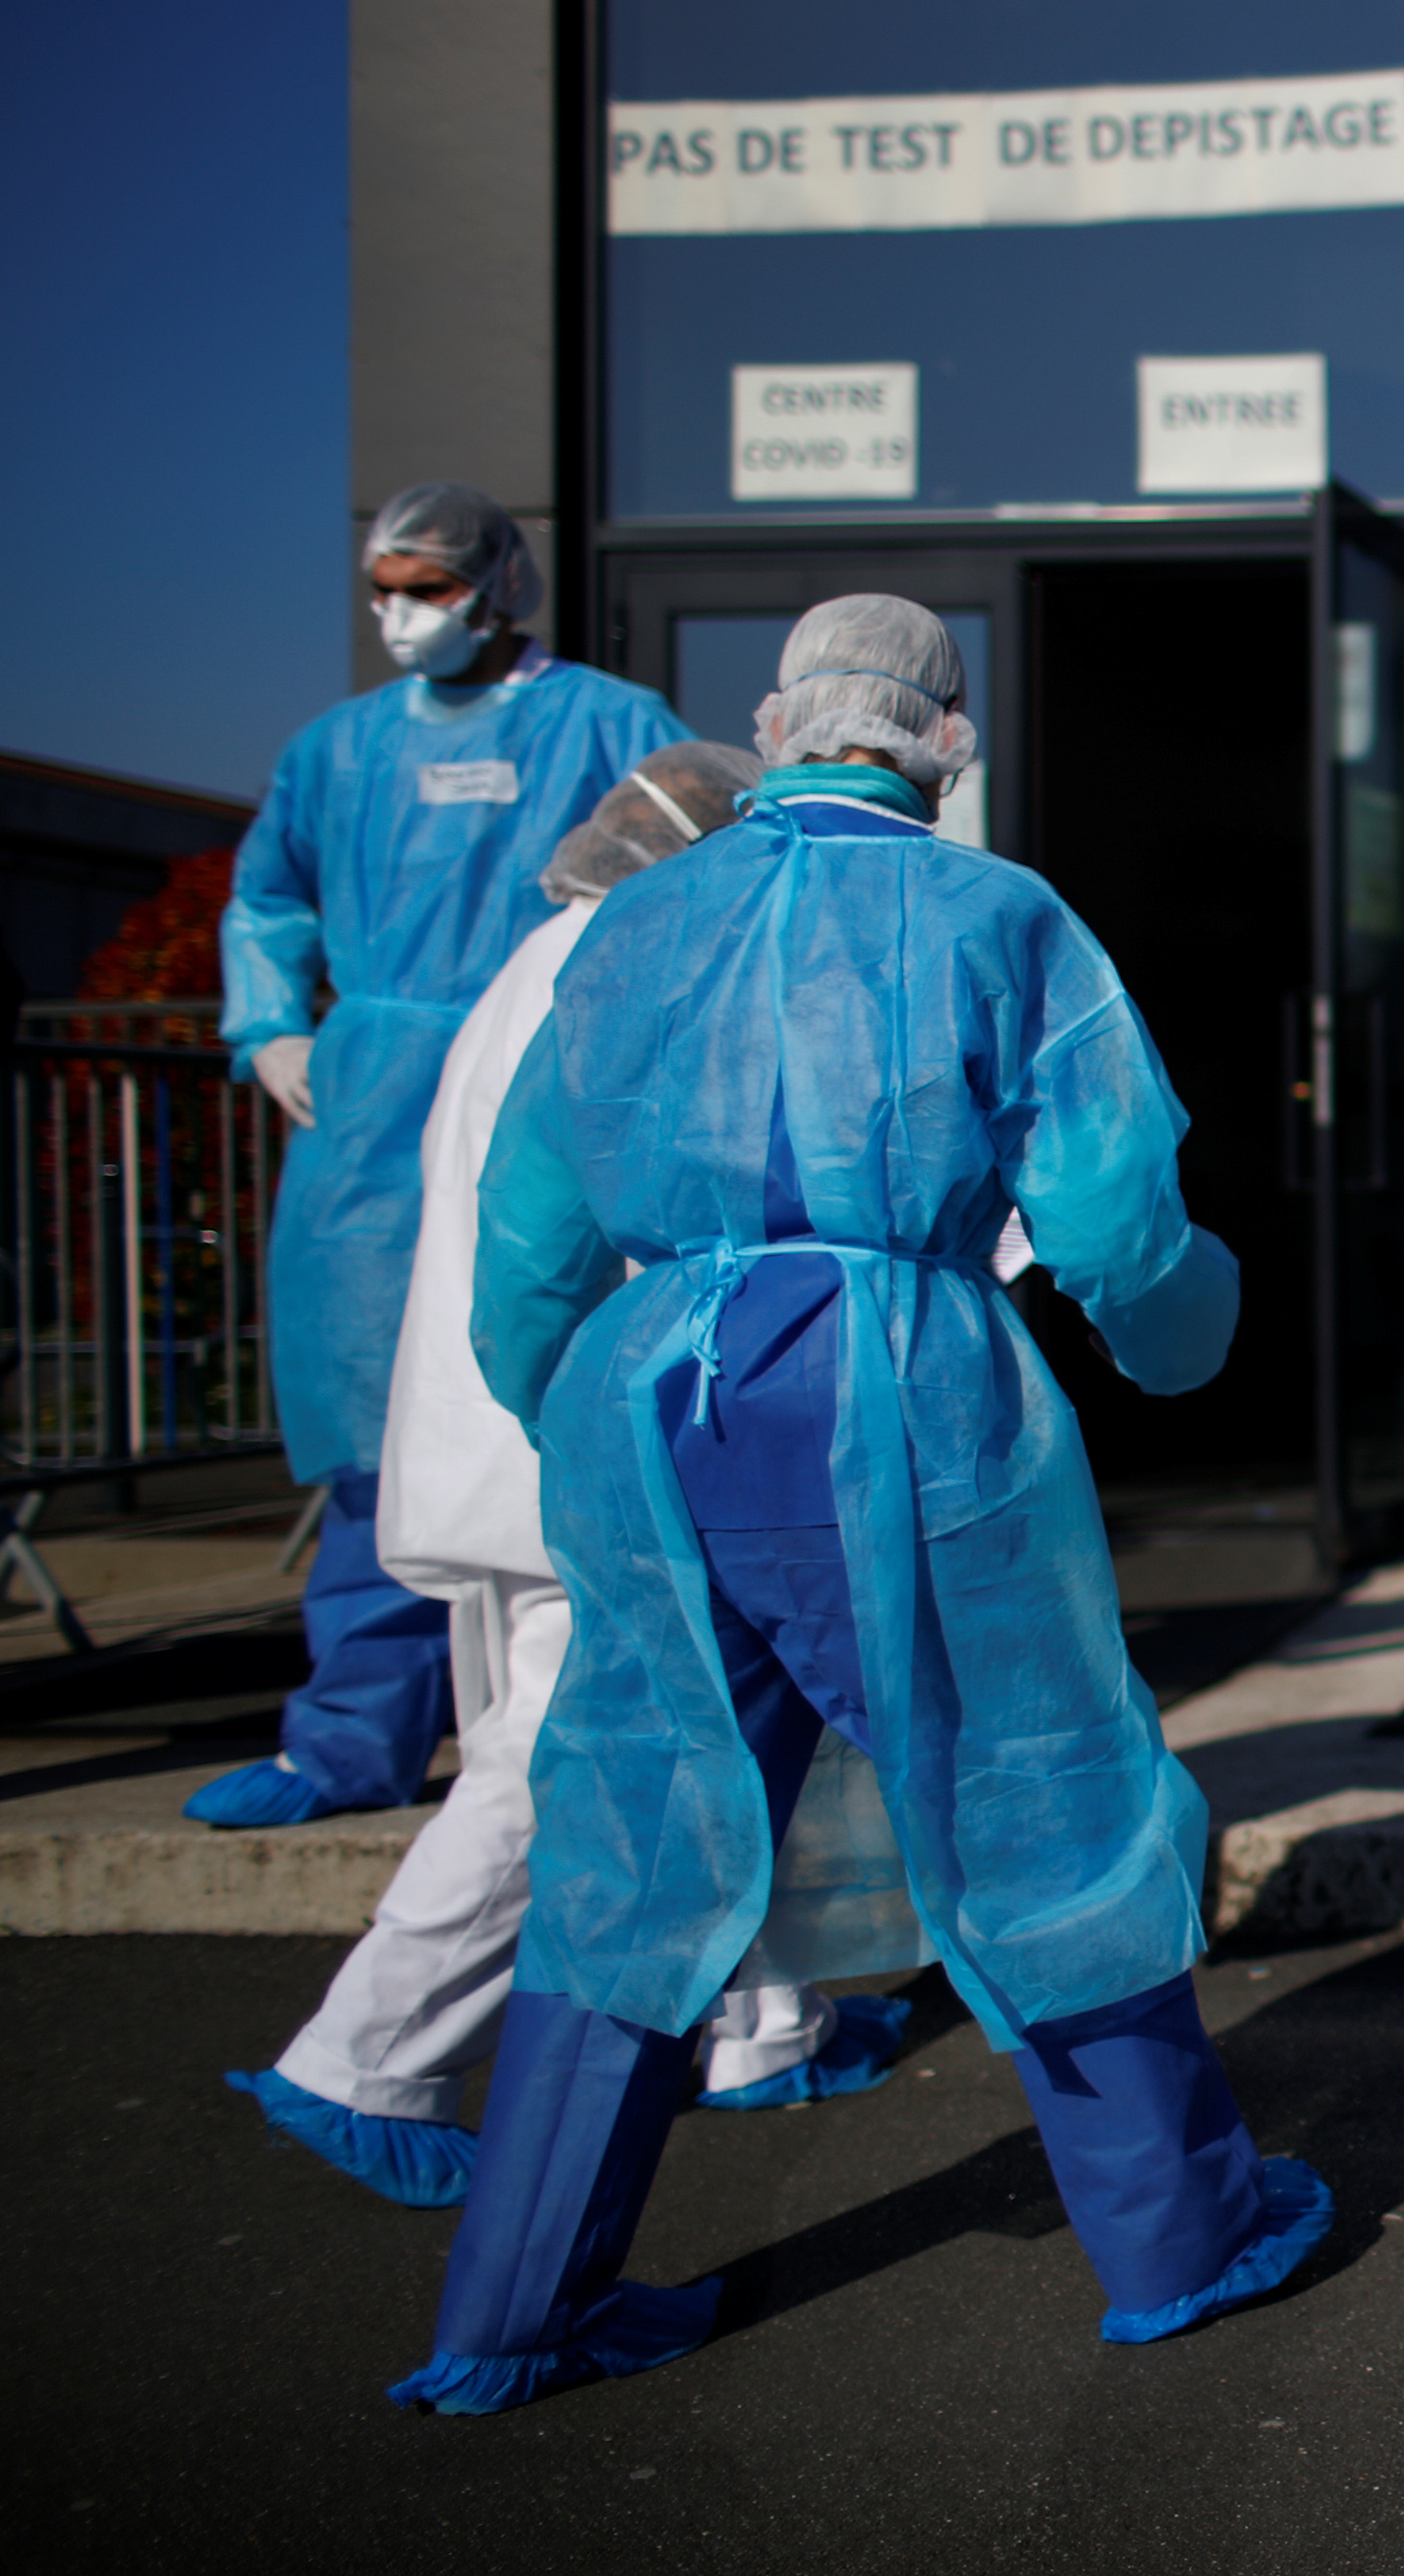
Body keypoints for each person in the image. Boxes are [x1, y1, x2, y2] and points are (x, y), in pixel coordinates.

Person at [393, 597, 1324, 2415]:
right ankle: (1177, 2238)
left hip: (649, 1401)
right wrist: (1187, 1339)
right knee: (1041, 1813)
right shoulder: (1000, 917)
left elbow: (529, 1240)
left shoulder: (634, 923)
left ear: (784, 720)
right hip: (902, 1394)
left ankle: (511, 2312)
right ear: (944, 741)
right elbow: (1124, 1231)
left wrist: (587, 1406)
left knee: (626, 1857)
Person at [226, 743, 915, 2211]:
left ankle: (763, 2030)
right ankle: (361, 2057)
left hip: (505, 1431)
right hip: (561, 1439)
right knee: (545, 1769)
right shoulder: (619, 960)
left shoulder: (544, 953)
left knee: (696, 1743)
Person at [191, 484, 690, 1830]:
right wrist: (270, 1030)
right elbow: (269, 894)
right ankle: (349, 1739)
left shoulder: (607, 725)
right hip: (366, 1118)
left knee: (551, 1391)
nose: (401, 613)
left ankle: (575, 1723)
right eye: (385, 587)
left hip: (544, 1073)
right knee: (373, 1422)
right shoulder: (335, 751)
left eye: (427, 586)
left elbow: (686, 878)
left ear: (496, 586)